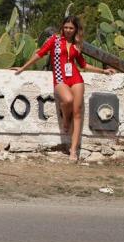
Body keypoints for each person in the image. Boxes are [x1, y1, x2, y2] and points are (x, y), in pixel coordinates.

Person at [14, 15, 114, 161]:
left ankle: (73, 150)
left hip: (75, 77)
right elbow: (40, 54)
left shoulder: (76, 45)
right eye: (66, 27)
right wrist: (23, 68)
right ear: (62, 27)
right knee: (67, 100)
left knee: (78, 112)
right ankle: (66, 119)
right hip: (60, 77)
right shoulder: (54, 40)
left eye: (71, 28)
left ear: (75, 30)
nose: (68, 30)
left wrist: (103, 71)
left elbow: (83, 65)